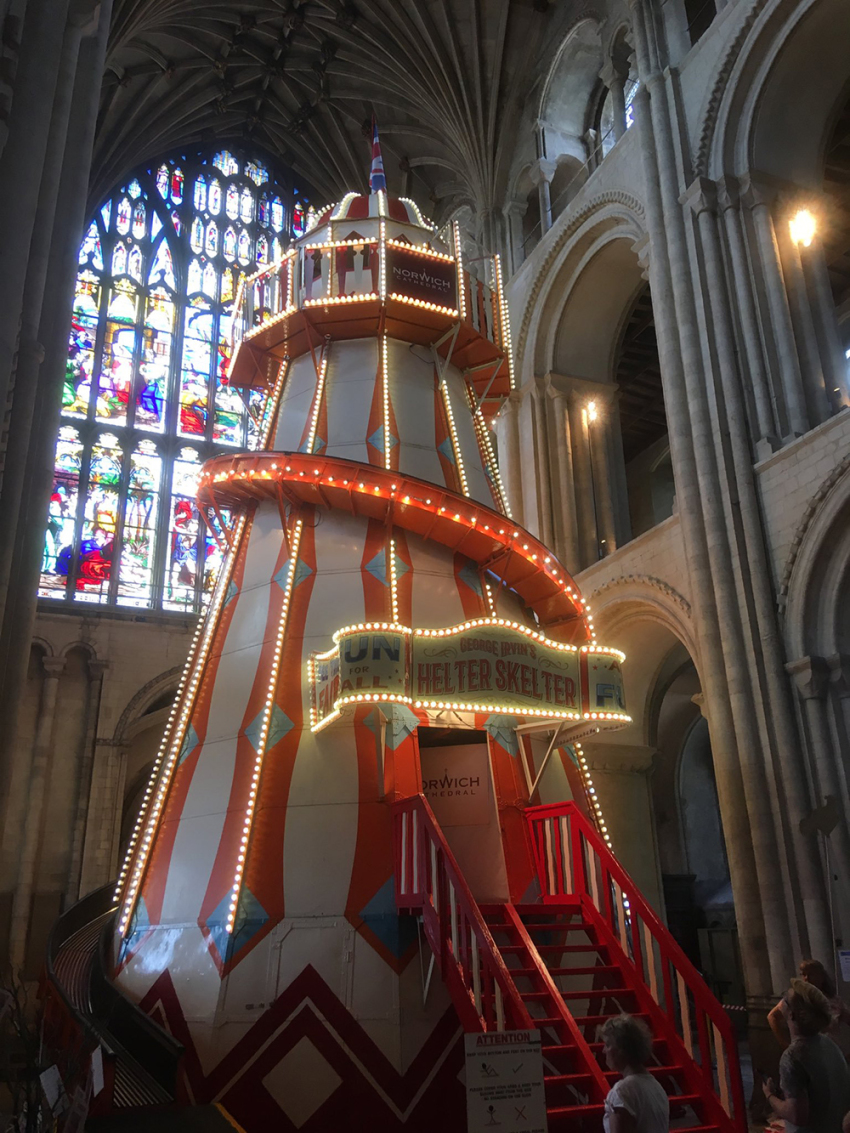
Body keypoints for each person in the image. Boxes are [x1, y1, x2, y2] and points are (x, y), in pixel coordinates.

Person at [763, 979, 850, 1133]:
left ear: (792, 1015)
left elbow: (797, 1116)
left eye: (785, 999)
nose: (781, 1002)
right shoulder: (829, 1044)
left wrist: (769, 1095)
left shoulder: (793, 1057)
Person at [601, 1014, 669, 1133]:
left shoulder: (622, 1092)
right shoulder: (656, 1087)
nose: (604, 1050)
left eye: (608, 1045)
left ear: (622, 1049)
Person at [769, 961, 850, 1058]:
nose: (806, 978)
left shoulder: (834, 1001)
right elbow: (772, 1016)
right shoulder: (794, 1000)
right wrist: (784, 1044)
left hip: (831, 1054)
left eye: (811, 974)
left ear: (821, 976)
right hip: (804, 1055)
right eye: (803, 974)